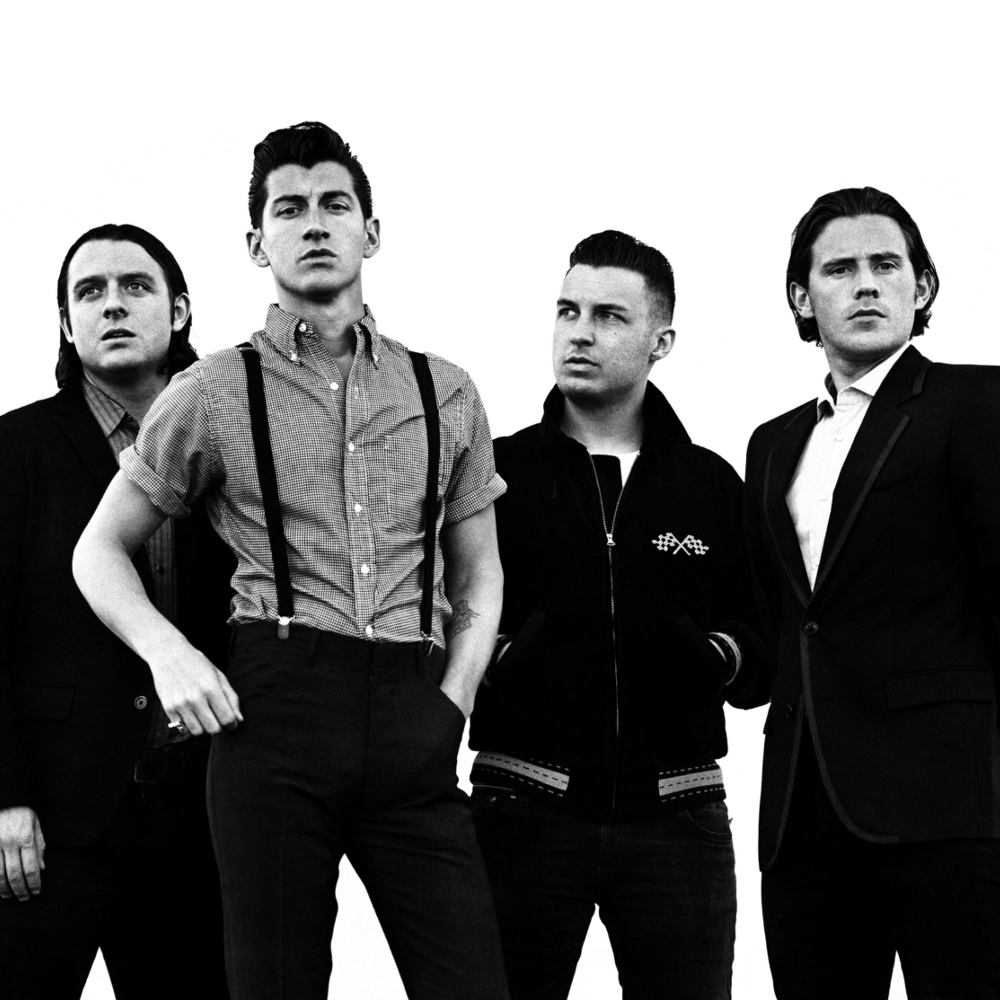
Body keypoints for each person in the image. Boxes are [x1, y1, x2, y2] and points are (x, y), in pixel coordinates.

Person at [73, 122, 510, 1000]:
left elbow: (479, 573)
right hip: (275, 717)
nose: (314, 223)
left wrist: (453, 700)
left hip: (411, 714)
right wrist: (170, 656)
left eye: (334, 205)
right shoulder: (212, 389)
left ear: (370, 233)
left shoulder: (447, 390)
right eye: (289, 208)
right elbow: (98, 550)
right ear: (256, 243)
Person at [469, 230, 770, 1000]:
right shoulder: (496, 474)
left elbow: (765, 637)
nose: (579, 331)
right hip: (521, 807)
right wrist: (498, 655)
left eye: (609, 316)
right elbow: (440, 604)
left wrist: (718, 656)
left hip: (678, 813)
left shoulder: (709, 484)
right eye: (567, 310)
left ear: (660, 341)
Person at [745, 186, 1000, 999]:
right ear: (802, 297)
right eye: (839, 269)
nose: (865, 284)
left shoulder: (978, 404)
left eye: (886, 265)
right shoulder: (773, 444)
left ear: (920, 288)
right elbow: (780, 619)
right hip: (803, 813)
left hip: (948, 809)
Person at [0, 224, 232, 998]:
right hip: (52, 819)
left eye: (135, 286)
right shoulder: (16, 447)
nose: (112, 305)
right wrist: (5, 797)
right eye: (89, 292)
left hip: (198, 818)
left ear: (180, 309)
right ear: (68, 325)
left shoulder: (230, 446)